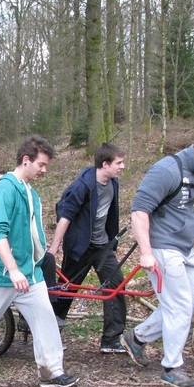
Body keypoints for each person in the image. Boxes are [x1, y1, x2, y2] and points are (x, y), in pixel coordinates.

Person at [0, 135, 78, 387]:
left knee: (45, 317)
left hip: (30, 274)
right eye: (41, 164)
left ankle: (51, 372)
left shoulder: (29, 192)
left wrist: (33, 265)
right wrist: (12, 269)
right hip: (3, 274)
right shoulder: (4, 189)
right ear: (26, 160)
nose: (44, 170)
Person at [122, 137, 194, 387]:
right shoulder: (167, 170)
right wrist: (146, 252)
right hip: (162, 248)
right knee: (179, 307)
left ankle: (137, 338)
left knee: (188, 305)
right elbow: (139, 212)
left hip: (185, 249)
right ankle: (172, 368)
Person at [48, 143, 127, 353]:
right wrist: (54, 248)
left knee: (116, 286)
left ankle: (111, 339)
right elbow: (66, 215)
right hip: (79, 249)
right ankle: (49, 331)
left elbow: (110, 214)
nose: (123, 167)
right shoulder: (82, 186)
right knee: (66, 289)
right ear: (105, 164)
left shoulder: (113, 183)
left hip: (102, 247)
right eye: (119, 163)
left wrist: (113, 241)